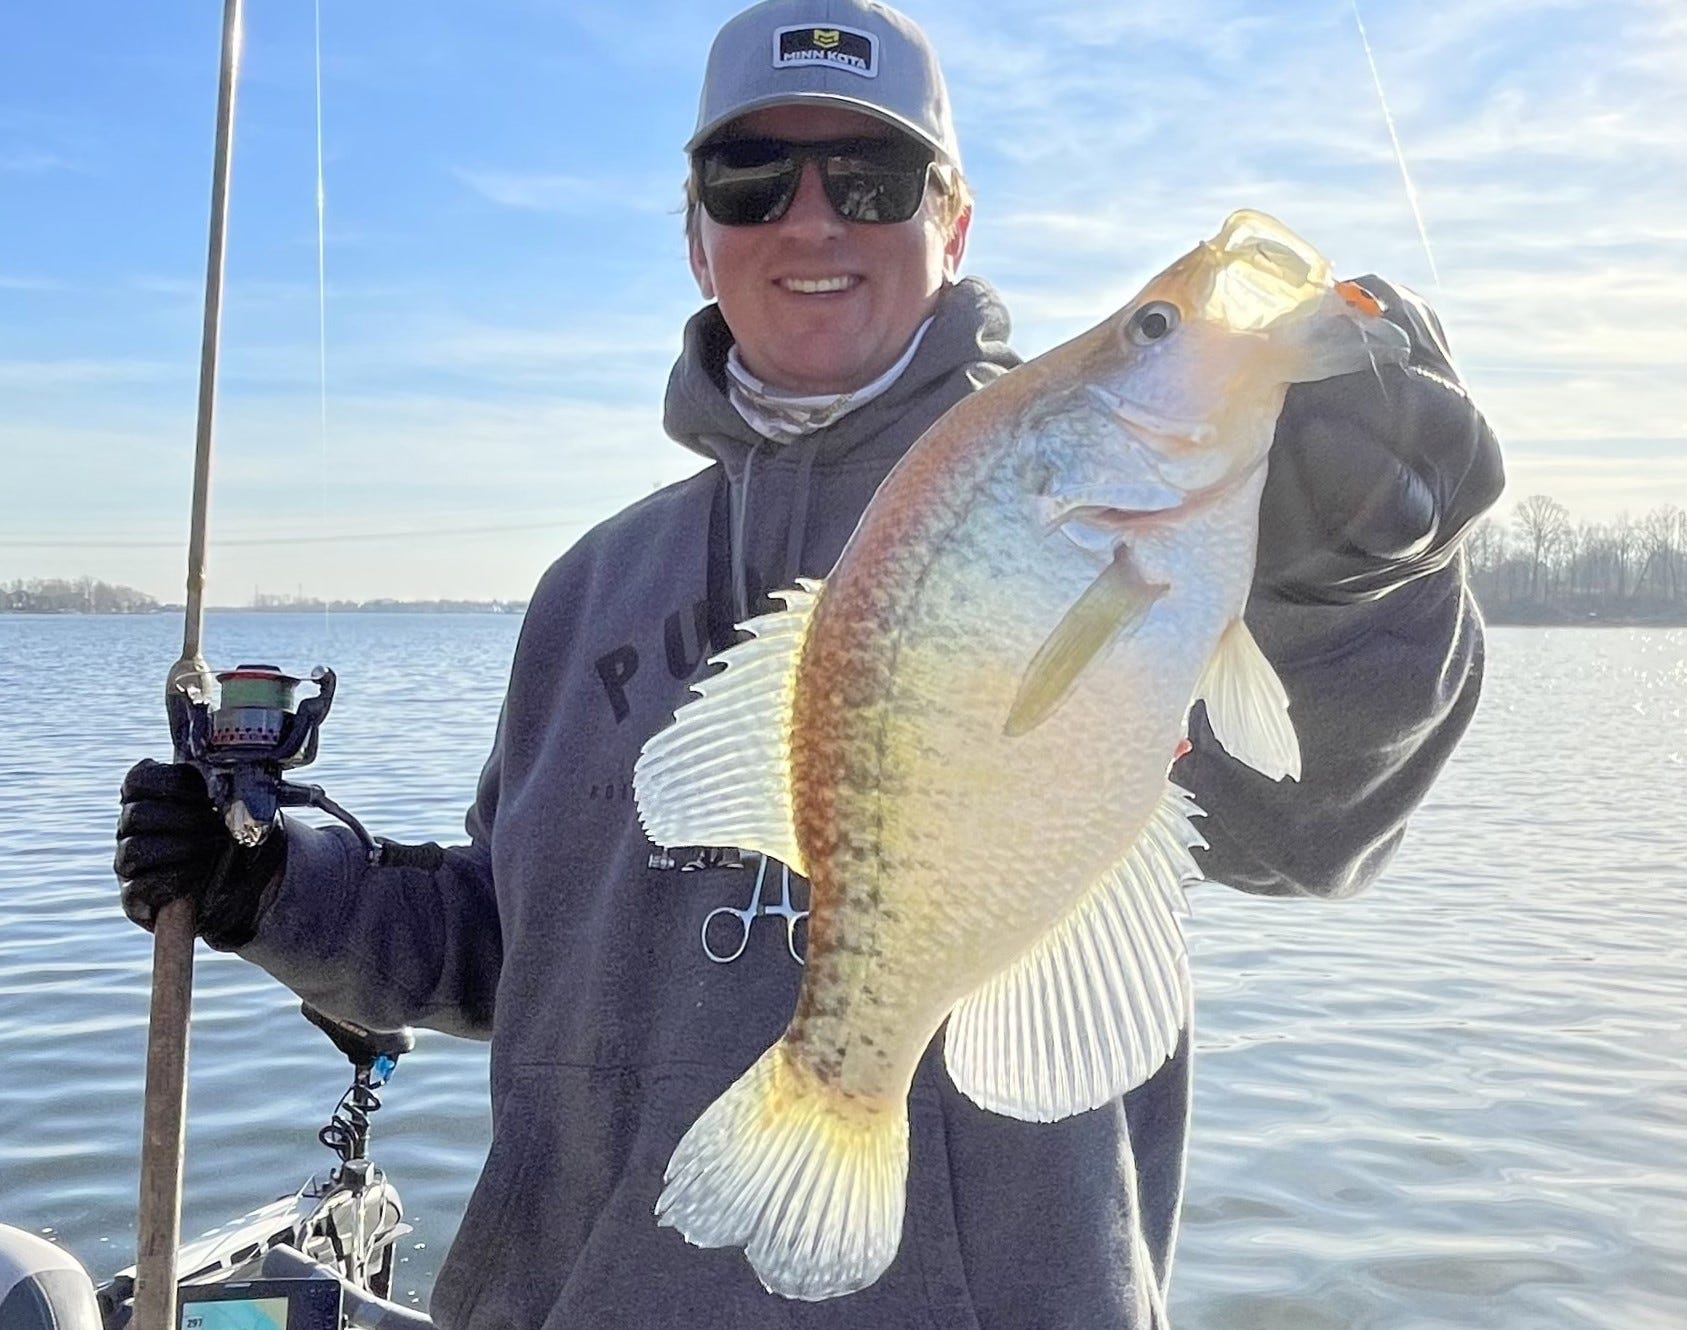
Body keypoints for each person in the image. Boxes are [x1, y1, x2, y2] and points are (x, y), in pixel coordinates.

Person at [113, 1, 1504, 1325]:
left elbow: (1317, 812)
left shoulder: (1159, 526)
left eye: (875, 175)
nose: (814, 216)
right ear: (694, 238)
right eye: (750, 176)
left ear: (954, 225)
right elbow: (505, 943)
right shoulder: (588, 589)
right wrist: (277, 887)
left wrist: (1363, 574)